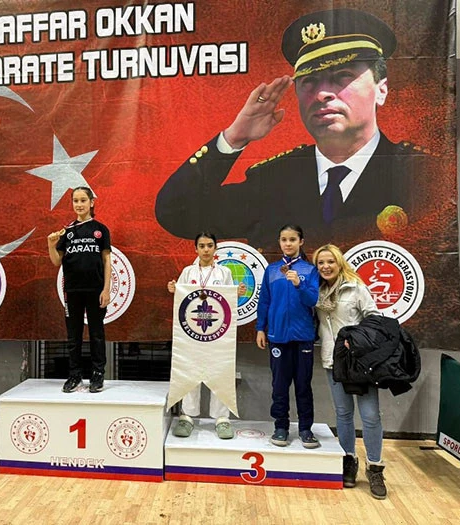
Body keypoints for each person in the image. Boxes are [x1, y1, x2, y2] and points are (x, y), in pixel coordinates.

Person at [155, 8, 439, 251]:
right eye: (309, 81)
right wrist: (233, 139)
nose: (322, 93)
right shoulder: (272, 181)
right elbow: (177, 213)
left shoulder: (421, 175)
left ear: (381, 90)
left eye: (342, 76)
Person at [312, 243, 386, 499]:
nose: (326, 267)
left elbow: (374, 318)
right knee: (343, 414)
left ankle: (375, 467)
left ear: (339, 262)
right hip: (333, 362)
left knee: (370, 416)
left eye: (330, 261)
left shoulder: (356, 287)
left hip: (360, 363)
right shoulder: (317, 291)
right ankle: (348, 461)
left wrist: (356, 341)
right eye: (321, 263)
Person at [166, 232, 247, 439]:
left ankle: (222, 419)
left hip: (217, 332)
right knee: (190, 369)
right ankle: (187, 416)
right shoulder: (188, 271)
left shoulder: (224, 272)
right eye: (201, 246)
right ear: (196, 249)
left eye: (210, 245)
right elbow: (181, 298)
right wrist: (174, 289)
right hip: (191, 331)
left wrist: (236, 293)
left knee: (219, 370)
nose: (206, 249)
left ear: (215, 248)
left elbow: (227, 302)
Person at [256, 225, 319, 448]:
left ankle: (305, 429)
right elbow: (264, 301)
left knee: (303, 385)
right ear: (280, 242)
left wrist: (299, 284)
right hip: (278, 336)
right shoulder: (272, 270)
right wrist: (261, 328)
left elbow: (312, 300)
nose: (288, 243)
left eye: (292, 239)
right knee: (279, 385)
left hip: (303, 337)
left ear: (301, 241)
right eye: (284, 239)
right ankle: (281, 427)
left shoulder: (310, 270)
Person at [47, 186, 111, 394]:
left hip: (95, 289)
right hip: (72, 291)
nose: (79, 204)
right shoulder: (66, 232)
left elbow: (107, 260)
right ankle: (74, 375)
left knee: (96, 333)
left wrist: (106, 289)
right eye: (75, 200)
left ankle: (97, 374)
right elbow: (56, 261)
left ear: (91, 202)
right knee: (73, 335)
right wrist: (51, 245)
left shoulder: (101, 229)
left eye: (83, 200)